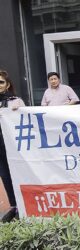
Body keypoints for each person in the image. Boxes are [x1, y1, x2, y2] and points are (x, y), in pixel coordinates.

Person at [0, 70, 25, 208]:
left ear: (7, 84)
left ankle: (24, 206)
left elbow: (26, 121)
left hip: (14, 146)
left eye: (1, 82)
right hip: (0, 147)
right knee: (5, 177)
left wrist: (18, 111)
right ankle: (14, 206)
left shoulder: (16, 101)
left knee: (19, 174)